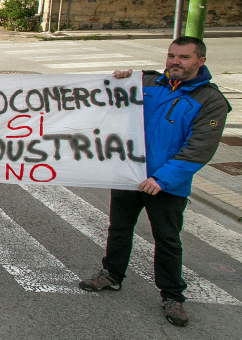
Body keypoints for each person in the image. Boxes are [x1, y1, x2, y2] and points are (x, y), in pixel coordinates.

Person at [79, 36, 230, 327]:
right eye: (172, 56)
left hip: (166, 184)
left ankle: (172, 295)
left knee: (167, 239)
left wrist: (162, 179)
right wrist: (120, 81)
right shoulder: (146, 83)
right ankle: (112, 275)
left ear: (201, 61)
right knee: (119, 228)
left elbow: (200, 147)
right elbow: (107, 107)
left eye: (184, 58)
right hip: (129, 174)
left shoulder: (210, 101)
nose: (175, 62)